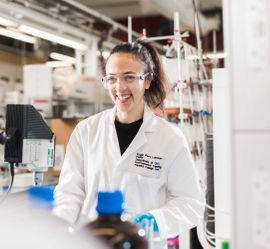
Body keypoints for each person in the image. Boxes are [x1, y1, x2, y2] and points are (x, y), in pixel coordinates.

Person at [53, 40, 205, 248]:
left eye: (130, 77)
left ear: (148, 80)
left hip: (142, 242)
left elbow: (191, 204)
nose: (119, 87)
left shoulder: (170, 139)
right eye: (112, 79)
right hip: (91, 241)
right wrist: (59, 225)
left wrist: (156, 220)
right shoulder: (86, 131)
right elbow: (70, 191)